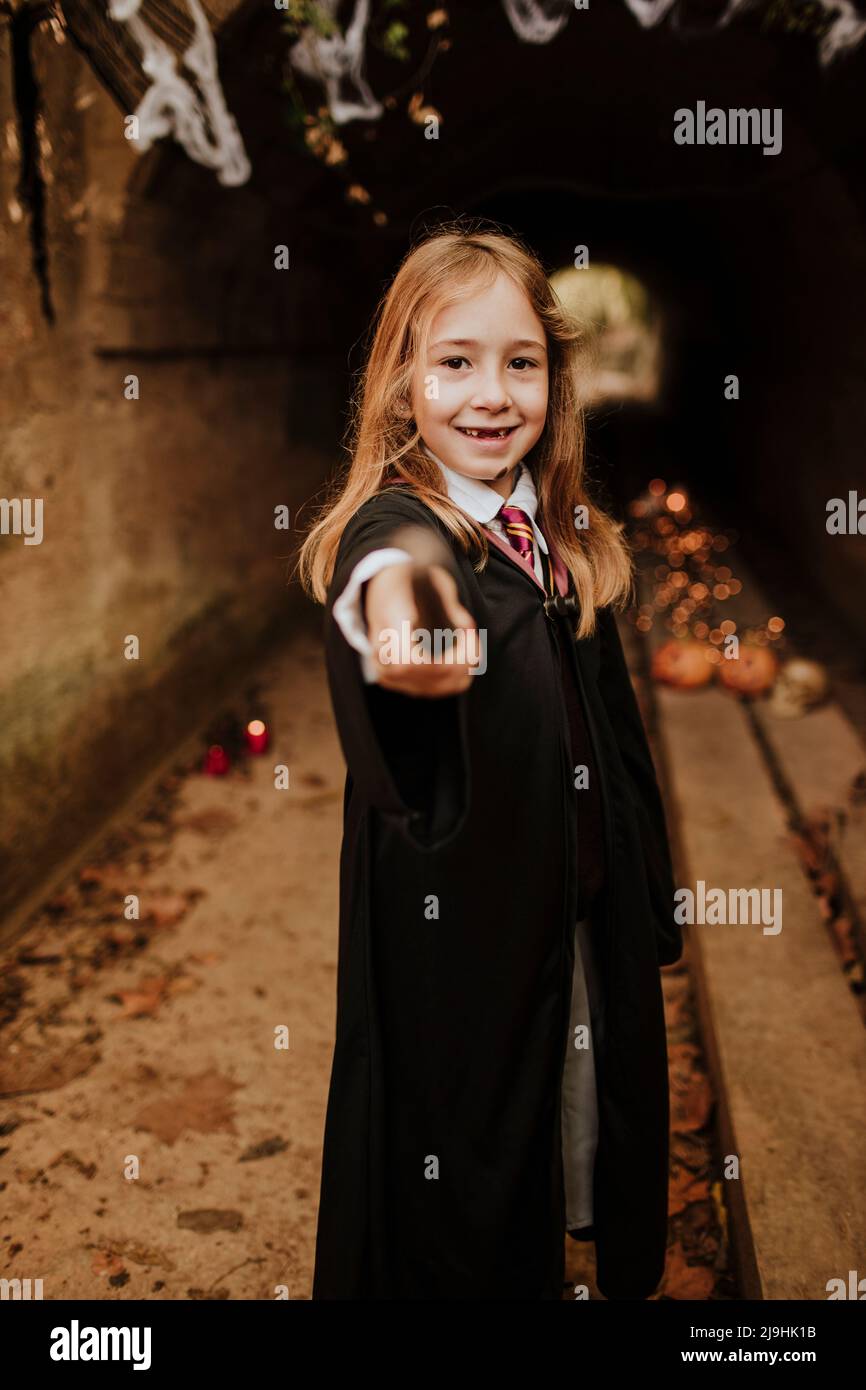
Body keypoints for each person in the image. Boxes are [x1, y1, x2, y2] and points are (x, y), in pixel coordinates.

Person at [297, 221, 683, 1301]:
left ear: (555, 384)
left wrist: (645, 897)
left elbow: (612, 730)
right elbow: (389, 560)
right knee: (456, 1176)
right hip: (454, 937)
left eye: (520, 363)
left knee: (567, 1126)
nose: (489, 394)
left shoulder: (554, 539)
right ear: (397, 387)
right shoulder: (414, 528)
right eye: (453, 362)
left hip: (567, 913)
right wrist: (403, 609)